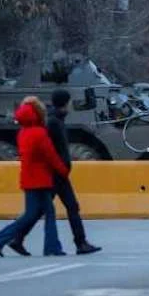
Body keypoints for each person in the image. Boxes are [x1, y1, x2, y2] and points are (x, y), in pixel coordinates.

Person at [0, 96, 70, 257]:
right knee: (40, 214)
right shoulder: (40, 133)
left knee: (34, 213)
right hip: (41, 180)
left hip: (28, 178)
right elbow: (51, 156)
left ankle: (49, 246)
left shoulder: (23, 133)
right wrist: (63, 170)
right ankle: (1, 239)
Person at [45, 88, 101, 255]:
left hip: (60, 172)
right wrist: (60, 166)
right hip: (57, 173)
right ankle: (15, 237)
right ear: (65, 103)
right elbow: (51, 149)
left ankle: (81, 242)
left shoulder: (57, 120)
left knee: (71, 206)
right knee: (42, 209)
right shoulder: (54, 122)